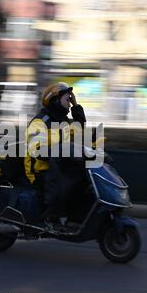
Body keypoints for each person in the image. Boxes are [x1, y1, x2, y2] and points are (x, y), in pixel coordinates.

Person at [24, 82, 87, 229]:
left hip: (56, 166)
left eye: (71, 100)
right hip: (39, 170)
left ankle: (76, 219)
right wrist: (62, 153)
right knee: (62, 177)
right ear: (55, 100)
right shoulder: (40, 122)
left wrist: (76, 106)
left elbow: (78, 130)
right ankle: (50, 216)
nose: (70, 104)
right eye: (67, 99)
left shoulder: (62, 122)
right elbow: (36, 150)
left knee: (84, 176)